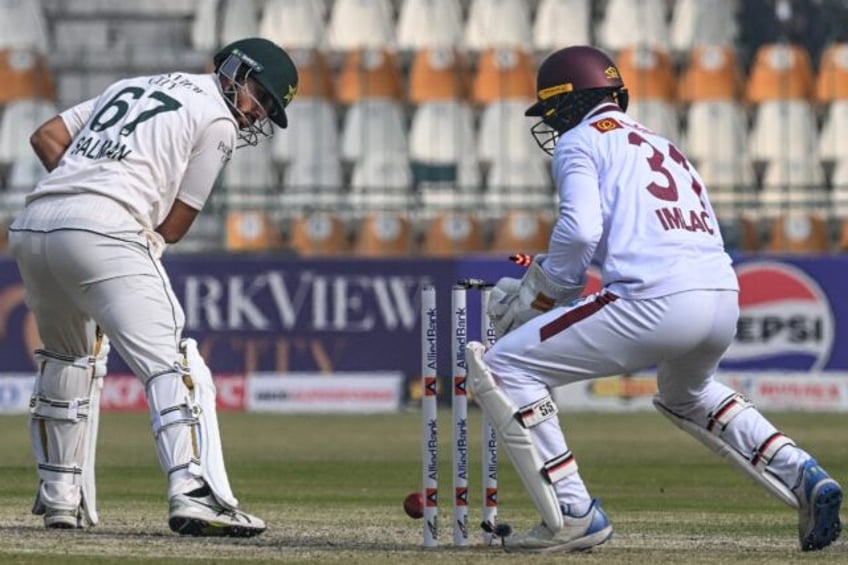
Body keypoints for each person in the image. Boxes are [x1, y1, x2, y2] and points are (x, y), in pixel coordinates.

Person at [466, 45, 842, 553]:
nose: (551, 123)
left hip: (655, 297)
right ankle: (803, 473)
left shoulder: (580, 142)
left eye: (553, 110)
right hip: (722, 295)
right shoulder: (662, 143)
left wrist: (546, 292)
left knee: (505, 367)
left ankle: (573, 513)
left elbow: (578, 235)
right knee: (688, 394)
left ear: (570, 102)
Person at [7, 37, 298, 536]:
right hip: (104, 227)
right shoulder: (218, 119)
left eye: (269, 107)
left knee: (67, 360)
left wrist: (85, 188)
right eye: (260, 96)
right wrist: (108, 212)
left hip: (34, 224)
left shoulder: (134, 84)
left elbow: (46, 136)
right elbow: (178, 222)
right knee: (173, 360)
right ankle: (194, 491)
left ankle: (60, 500)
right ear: (233, 71)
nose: (257, 113)